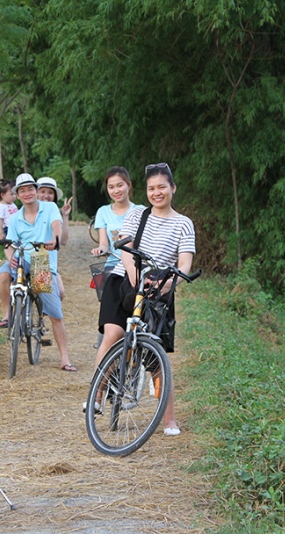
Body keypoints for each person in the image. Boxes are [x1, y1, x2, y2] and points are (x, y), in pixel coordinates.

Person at [94, 163, 195, 435]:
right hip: (125, 279)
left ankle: (169, 419)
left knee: (156, 354)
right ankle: (97, 393)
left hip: (159, 287)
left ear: (173, 188)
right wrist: (135, 275)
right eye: (151, 188)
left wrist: (168, 284)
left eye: (162, 187)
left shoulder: (184, 223)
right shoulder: (137, 213)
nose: (156, 193)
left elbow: (185, 262)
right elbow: (126, 249)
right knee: (113, 334)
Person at [0, 172, 77, 371]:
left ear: (35, 190)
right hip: (22, 258)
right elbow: (9, 243)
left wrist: (55, 241)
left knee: (55, 313)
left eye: (30, 189)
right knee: (3, 273)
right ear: (18, 194)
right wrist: (11, 258)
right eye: (22, 190)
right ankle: (9, 313)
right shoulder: (15, 218)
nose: (27, 193)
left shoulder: (49, 208)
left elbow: (56, 227)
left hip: (42, 260)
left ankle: (64, 358)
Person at [90, 166, 140, 269]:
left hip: (136, 266)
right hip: (113, 266)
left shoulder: (140, 211)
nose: (116, 191)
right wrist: (100, 250)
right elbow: (104, 244)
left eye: (120, 185)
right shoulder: (103, 212)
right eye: (111, 187)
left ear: (129, 185)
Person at [36, 176, 72, 301]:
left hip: (50, 264)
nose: (46, 195)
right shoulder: (28, 211)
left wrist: (65, 216)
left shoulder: (53, 211)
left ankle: (40, 316)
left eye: (50, 192)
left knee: (60, 293)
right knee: (48, 293)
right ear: (36, 193)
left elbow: (64, 241)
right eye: (43, 191)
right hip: (37, 260)